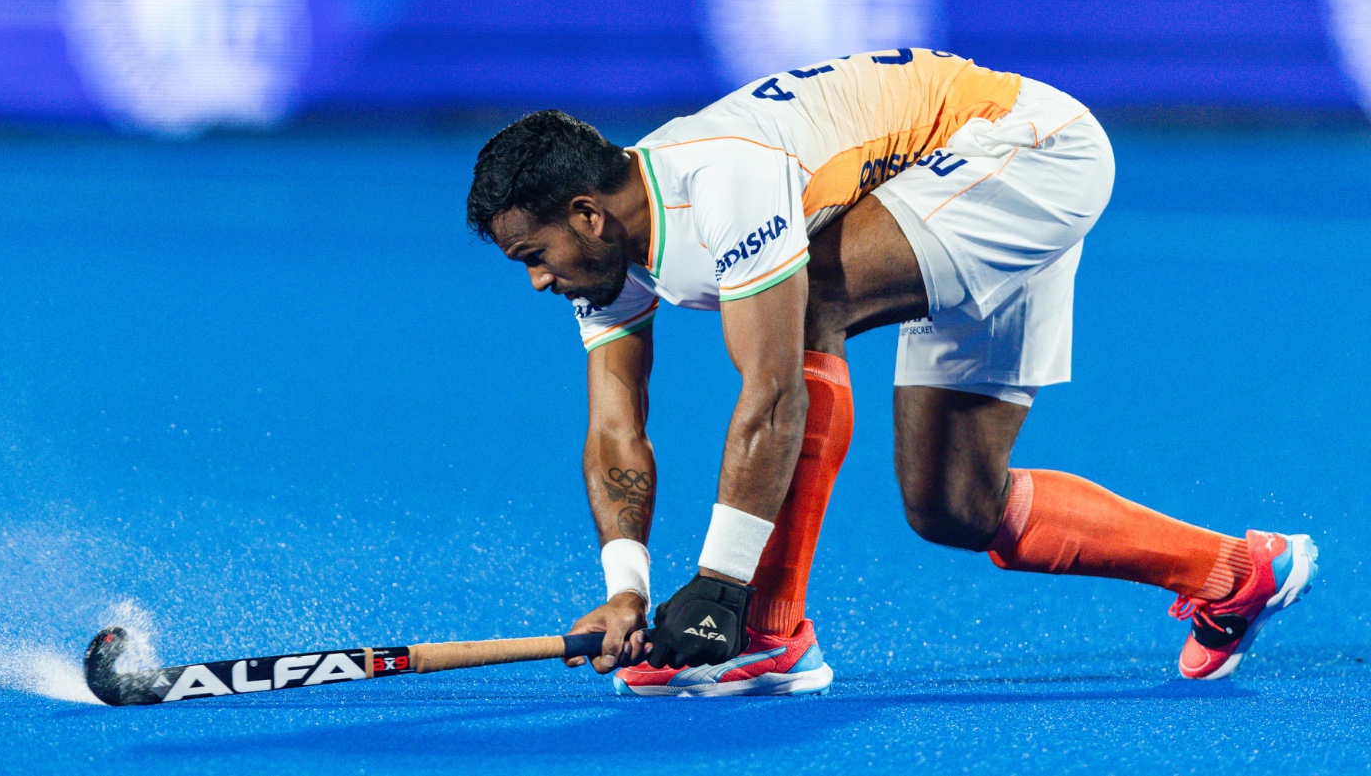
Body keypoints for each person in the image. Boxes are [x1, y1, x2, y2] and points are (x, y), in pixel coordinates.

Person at [465, 48, 1318, 697]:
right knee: (953, 503)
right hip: (942, 188)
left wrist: (723, 585)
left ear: (588, 215)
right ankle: (1238, 570)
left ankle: (771, 630)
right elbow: (617, 427)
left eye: (536, 256)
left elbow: (773, 391)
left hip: (1028, 149)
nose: (539, 281)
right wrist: (628, 587)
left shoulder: (720, 181)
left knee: (805, 304)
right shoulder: (602, 248)